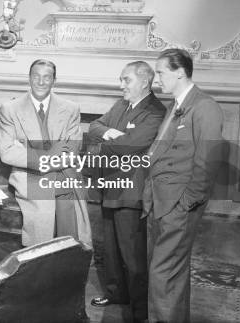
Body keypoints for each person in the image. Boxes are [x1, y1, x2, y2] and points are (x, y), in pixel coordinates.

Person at [143, 48, 225, 323]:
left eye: (161, 73)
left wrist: (186, 203)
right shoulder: (174, 105)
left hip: (178, 205)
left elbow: (207, 161)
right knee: (170, 274)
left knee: (162, 274)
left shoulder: (204, 107)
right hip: (160, 202)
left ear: (180, 72)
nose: (156, 80)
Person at [86, 61, 166, 323]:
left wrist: (101, 147)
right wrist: (110, 132)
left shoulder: (155, 110)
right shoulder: (121, 105)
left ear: (144, 81)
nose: (121, 85)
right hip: (109, 186)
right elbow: (94, 126)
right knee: (111, 249)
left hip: (131, 192)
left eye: (126, 80)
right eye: (121, 80)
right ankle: (116, 293)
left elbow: (132, 146)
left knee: (133, 256)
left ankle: (140, 311)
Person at [0, 59, 91, 247]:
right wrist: (51, 155)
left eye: (47, 77)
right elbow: (7, 152)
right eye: (36, 77)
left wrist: (28, 152)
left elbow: (72, 151)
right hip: (29, 176)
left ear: (54, 80)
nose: (41, 82)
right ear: (29, 78)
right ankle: (38, 267)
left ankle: (67, 269)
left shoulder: (70, 109)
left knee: (71, 233)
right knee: (41, 222)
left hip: (64, 174)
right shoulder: (11, 109)